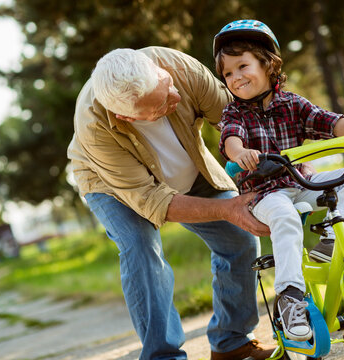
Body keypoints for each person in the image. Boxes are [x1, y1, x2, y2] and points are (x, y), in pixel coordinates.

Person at [67, 46, 278, 360]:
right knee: (140, 249)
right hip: (112, 184)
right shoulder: (94, 126)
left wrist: (281, 162)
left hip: (186, 165)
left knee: (241, 238)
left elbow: (237, 120)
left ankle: (231, 343)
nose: (175, 98)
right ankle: (163, 356)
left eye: (166, 85)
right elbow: (153, 201)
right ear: (125, 116)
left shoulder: (179, 68)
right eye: (161, 105)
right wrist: (227, 208)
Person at [213, 19, 344, 342]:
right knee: (285, 218)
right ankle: (290, 299)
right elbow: (231, 139)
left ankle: (330, 241)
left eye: (242, 66)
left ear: (268, 64)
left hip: (301, 182)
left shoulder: (292, 104)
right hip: (263, 195)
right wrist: (240, 152)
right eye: (228, 73)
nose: (235, 78)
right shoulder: (235, 114)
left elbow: (331, 122)